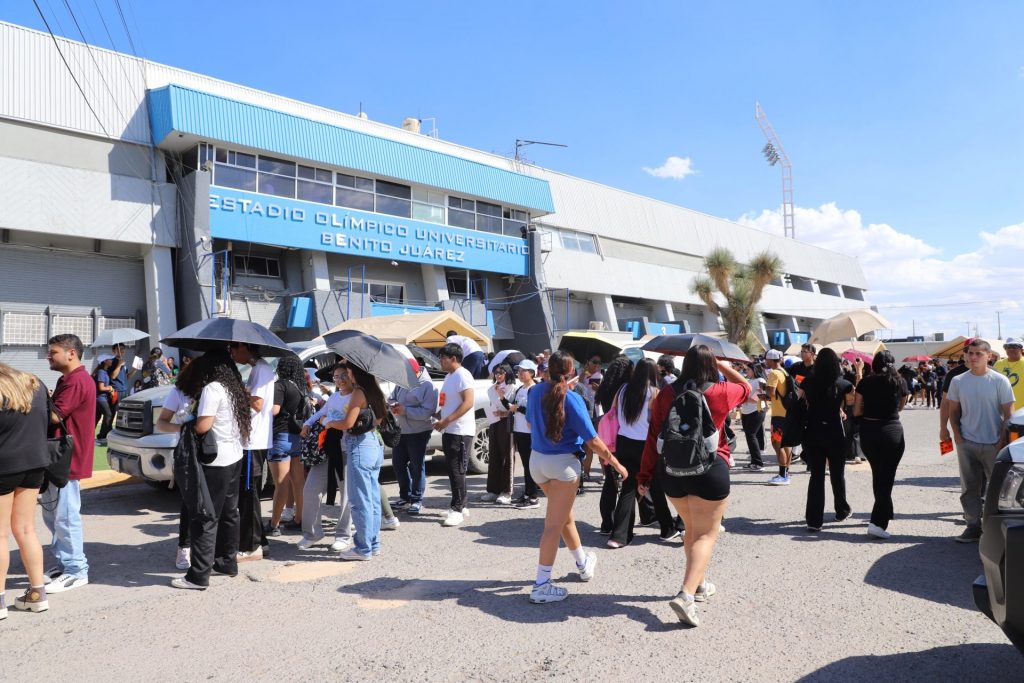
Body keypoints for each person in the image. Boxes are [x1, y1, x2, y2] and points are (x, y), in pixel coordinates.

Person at [637, 345, 750, 627]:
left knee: (691, 529)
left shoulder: (666, 393)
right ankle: (686, 594)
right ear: (711, 364)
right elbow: (747, 388)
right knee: (706, 535)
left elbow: (653, 436)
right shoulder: (721, 391)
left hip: (672, 471)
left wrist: (645, 475)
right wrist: (722, 365)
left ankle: (699, 584)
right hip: (710, 468)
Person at [524, 351, 627, 604]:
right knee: (553, 525)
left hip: (537, 461)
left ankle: (582, 564)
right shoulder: (572, 398)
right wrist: (616, 463)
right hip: (563, 465)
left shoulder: (535, 392)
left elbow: (530, 424)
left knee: (563, 517)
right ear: (571, 372)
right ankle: (541, 584)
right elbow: (593, 440)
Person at [164, 350, 251, 590]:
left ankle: (198, 576)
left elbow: (203, 426)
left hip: (216, 460)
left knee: (205, 516)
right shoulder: (233, 387)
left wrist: (187, 424)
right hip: (234, 455)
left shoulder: (213, 388)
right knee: (229, 513)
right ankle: (226, 562)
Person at [944, 338, 1014, 543]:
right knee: (969, 487)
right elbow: (953, 410)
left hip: (994, 443)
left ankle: (998, 529)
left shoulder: (1000, 380)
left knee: (1000, 487)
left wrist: (1001, 441)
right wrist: (957, 436)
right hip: (967, 442)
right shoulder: (958, 381)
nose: (973, 357)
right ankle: (973, 525)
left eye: (978, 354)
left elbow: (1009, 414)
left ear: (989, 356)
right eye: (970, 353)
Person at [41, 334, 96, 593]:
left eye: (53, 352)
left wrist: (37, 400)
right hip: (59, 457)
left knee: (65, 517)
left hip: (67, 458)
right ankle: (65, 564)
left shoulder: (76, 380)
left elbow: (55, 416)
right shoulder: (69, 379)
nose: (48, 357)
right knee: (53, 515)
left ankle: (76, 570)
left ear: (71, 353)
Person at [0, 363, 52, 616]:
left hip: (4, 465)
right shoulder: (34, 383)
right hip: (34, 462)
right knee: (26, 529)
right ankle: (37, 592)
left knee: (0, 535)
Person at [606, 359, 675, 547]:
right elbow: (659, 420)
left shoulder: (622, 390)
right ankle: (667, 528)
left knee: (628, 486)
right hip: (646, 444)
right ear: (654, 373)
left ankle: (619, 535)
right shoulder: (654, 393)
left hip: (623, 441)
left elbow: (613, 412)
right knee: (656, 484)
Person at [326, 363, 386, 561]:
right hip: (374, 442)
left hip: (360, 445)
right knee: (372, 499)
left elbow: (347, 423)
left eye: (349, 371)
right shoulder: (375, 390)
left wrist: (329, 422)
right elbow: (380, 418)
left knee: (360, 501)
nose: (347, 375)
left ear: (356, 372)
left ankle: (363, 548)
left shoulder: (359, 393)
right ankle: (372, 544)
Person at [854, 351, 909, 539]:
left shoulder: (865, 383)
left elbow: (856, 411)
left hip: (869, 430)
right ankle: (877, 522)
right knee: (888, 476)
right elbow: (901, 406)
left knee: (878, 474)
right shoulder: (899, 381)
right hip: (891, 430)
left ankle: (885, 511)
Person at [299, 363, 354, 552]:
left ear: (351, 376)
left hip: (346, 451)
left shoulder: (357, 397)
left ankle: (344, 536)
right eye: (336, 377)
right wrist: (307, 423)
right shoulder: (335, 396)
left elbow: (346, 423)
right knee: (310, 490)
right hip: (326, 450)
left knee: (346, 495)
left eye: (343, 376)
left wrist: (328, 422)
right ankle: (312, 533)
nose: (340, 380)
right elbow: (321, 413)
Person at [799, 348, 855, 532]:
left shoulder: (807, 382)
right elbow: (853, 402)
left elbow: (801, 403)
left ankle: (814, 520)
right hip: (834, 432)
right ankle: (841, 510)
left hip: (813, 431)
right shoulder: (842, 383)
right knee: (837, 474)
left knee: (816, 476)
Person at [228, 342, 275, 561]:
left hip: (253, 442)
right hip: (251, 440)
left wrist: (237, 389)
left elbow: (257, 404)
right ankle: (260, 540)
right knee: (249, 494)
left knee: (249, 495)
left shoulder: (262, 369)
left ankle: (251, 546)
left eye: (234, 348)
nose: (232, 352)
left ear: (246, 347)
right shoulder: (258, 368)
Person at [155, 359, 200, 570]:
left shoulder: (214, 391)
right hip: (186, 453)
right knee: (189, 502)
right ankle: (184, 547)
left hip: (214, 453)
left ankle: (207, 548)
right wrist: (182, 429)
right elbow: (161, 422)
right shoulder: (179, 392)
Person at [388, 358, 438, 515]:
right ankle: (405, 497)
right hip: (401, 429)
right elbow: (392, 397)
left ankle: (416, 499)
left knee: (416, 465)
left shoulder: (427, 385)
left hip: (419, 431)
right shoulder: (402, 381)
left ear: (416, 371)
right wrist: (394, 405)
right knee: (398, 463)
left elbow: (428, 412)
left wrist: (405, 410)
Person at [434, 343, 476, 527]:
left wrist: (447, 420)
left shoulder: (462, 375)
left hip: (459, 430)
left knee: (457, 469)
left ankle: (457, 509)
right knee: (453, 470)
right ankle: (462, 505)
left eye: (443, 358)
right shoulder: (450, 376)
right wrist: (439, 415)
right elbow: (449, 402)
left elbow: (468, 402)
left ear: (453, 358)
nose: (440, 361)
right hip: (450, 428)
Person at [265, 355, 307, 536]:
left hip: (280, 437)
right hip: (297, 437)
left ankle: (274, 525)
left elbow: (274, 410)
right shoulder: (300, 387)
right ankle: (300, 520)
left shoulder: (280, 385)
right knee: (298, 482)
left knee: (281, 484)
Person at [480, 363, 515, 505]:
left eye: (501, 372)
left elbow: (513, 408)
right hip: (494, 422)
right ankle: (493, 490)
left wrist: (503, 413)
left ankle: (506, 491)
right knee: (494, 455)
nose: (498, 375)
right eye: (496, 373)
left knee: (506, 456)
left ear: (507, 373)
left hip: (507, 423)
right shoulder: (491, 388)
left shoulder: (512, 388)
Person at [509, 360, 540, 509]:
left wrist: (518, 409)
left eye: (523, 371)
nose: (520, 374)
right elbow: (514, 407)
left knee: (530, 465)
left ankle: (533, 497)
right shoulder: (520, 388)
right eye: (518, 371)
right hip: (519, 430)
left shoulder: (534, 389)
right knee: (525, 464)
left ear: (532, 373)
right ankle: (527, 494)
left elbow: (534, 411)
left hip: (530, 432)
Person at [764, 349, 793, 485]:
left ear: (770, 360)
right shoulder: (784, 372)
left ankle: (782, 475)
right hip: (787, 413)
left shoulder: (774, 373)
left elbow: (771, 392)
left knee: (777, 444)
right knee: (787, 444)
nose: (766, 362)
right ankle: (786, 472)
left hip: (778, 415)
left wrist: (764, 387)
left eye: (766, 360)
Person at [738, 364, 767, 471]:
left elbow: (758, 398)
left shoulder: (761, 380)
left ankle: (758, 463)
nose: (747, 371)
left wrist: (742, 398)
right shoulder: (748, 380)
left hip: (756, 411)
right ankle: (754, 462)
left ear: (755, 370)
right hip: (746, 412)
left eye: (748, 369)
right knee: (750, 436)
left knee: (751, 436)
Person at [993, 338, 1024, 411]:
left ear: (1022, 350)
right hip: (1001, 410)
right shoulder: (998, 363)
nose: (1011, 349)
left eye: (1015, 346)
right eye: (1007, 347)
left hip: (1021, 412)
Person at [92, 353, 115, 446]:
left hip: (100, 398)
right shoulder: (101, 372)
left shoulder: (103, 371)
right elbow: (101, 388)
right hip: (100, 398)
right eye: (110, 359)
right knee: (108, 414)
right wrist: (110, 388)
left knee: (96, 418)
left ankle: (89, 437)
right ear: (105, 361)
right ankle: (101, 436)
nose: (112, 361)